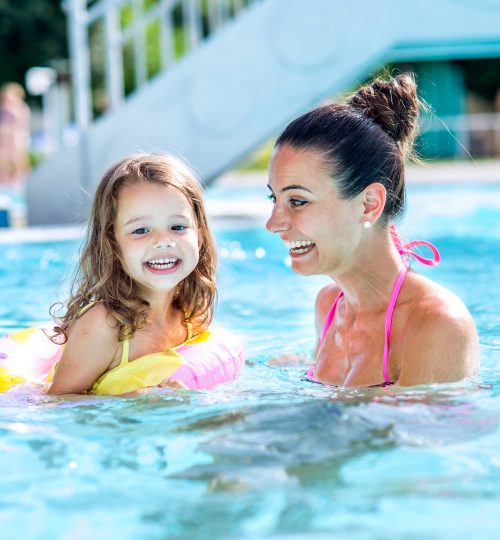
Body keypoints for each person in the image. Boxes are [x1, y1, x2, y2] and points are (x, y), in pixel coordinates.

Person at [266, 74, 480, 387]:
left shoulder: (436, 325)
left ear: (368, 204)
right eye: (274, 198)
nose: (273, 223)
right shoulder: (328, 306)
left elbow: (403, 435)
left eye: (297, 201)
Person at [47, 153, 218, 395]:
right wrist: (133, 400)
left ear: (199, 235)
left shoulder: (193, 311)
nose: (163, 241)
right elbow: (57, 403)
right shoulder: (105, 326)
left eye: (177, 227)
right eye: (141, 230)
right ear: (112, 243)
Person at [0, 83, 30, 189]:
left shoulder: (20, 108)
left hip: (16, 138)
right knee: (4, 161)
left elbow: (20, 123)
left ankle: (19, 183)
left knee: (18, 159)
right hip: (5, 139)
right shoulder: (3, 108)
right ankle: (5, 182)